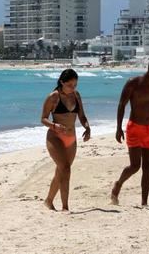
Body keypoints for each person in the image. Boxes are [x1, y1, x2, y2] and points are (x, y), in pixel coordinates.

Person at [110, 56, 149, 207]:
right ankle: (118, 184)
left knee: (147, 166)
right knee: (135, 166)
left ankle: (144, 202)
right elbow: (122, 105)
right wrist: (118, 128)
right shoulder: (133, 83)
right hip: (134, 128)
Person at [40, 69, 91, 211]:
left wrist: (87, 128)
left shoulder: (76, 96)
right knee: (66, 169)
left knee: (61, 171)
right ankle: (65, 207)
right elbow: (43, 118)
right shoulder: (53, 97)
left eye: (75, 85)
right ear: (62, 82)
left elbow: (82, 116)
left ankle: (49, 201)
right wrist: (54, 125)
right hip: (55, 137)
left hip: (71, 138)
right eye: (70, 85)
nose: (73, 88)